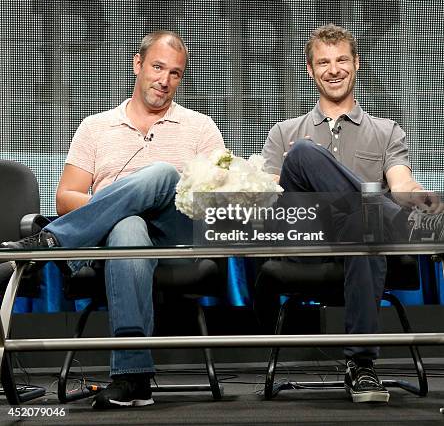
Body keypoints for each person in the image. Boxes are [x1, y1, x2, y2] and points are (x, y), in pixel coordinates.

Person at [3, 30, 224, 410]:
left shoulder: (200, 128)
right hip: (112, 241)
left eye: (174, 73)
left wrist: (139, 193)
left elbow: (216, 199)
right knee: (127, 226)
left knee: (162, 174)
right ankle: (132, 377)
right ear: (137, 65)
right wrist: (121, 204)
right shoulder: (95, 126)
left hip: (178, 235)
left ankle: (52, 241)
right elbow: (66, 196)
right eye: (157, 67)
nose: (164, 80)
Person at [261, 23, 442, 403]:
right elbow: (269, 197)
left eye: (342, 59)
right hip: (308, 238)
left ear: (356, 64)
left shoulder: (387, 130)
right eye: (323, 62)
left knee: (364, 222)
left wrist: (421, 200)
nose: (334, 69)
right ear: (310, 71)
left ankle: (361, 366)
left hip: (364, 240)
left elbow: (403, 183)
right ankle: (404, 226)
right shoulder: (284, 132)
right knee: (304, 153)